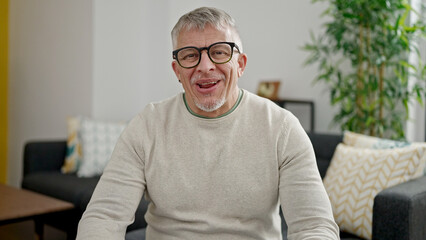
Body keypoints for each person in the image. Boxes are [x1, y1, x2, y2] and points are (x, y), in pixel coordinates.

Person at [76, 7, 340, 240]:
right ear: (177, 70)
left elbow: (314, 226)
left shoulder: (282, 128)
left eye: (219, 52)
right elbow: (104, 216)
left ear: (241, 64)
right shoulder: (147, 125)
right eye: (190, 55)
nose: (205, 66)